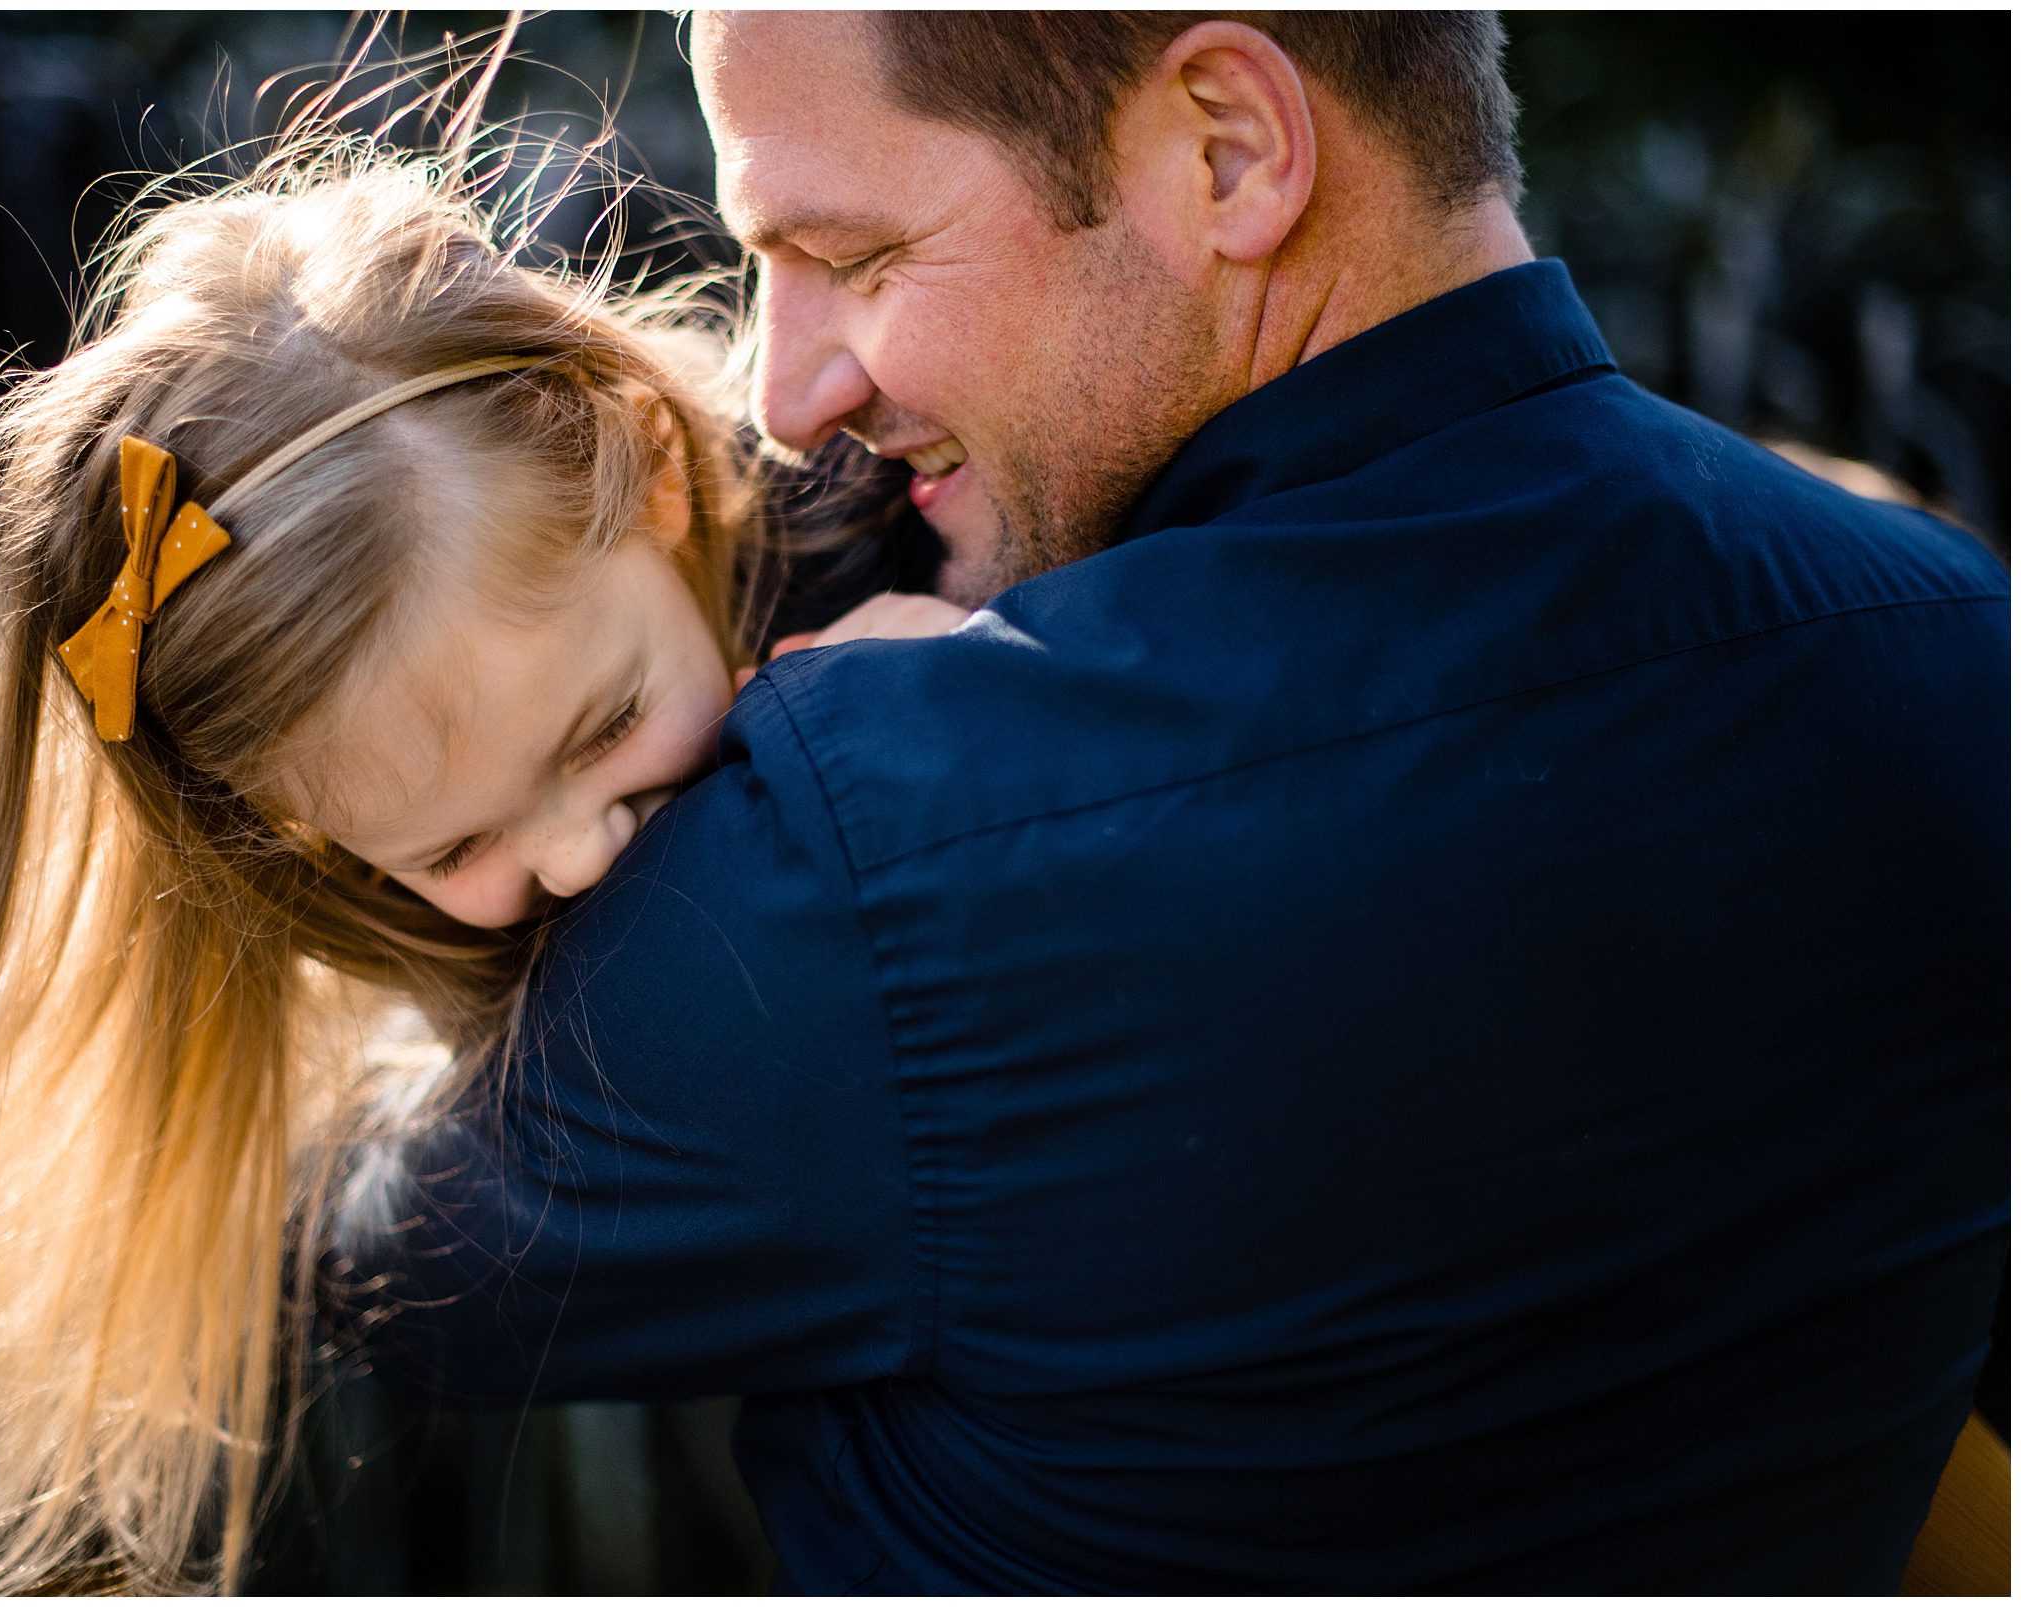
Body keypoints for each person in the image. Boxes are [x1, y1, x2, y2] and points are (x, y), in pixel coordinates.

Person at [337, 10, 2011, 1594]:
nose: (787, 397)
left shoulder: (891, 847)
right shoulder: (1959, 658)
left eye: (854, 258)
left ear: (1229, 150)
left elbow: (360, 1256)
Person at [0, 133, 955, 1595]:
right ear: (292, 840)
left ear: (654, 472)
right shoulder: (459, 1116)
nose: (573, 858)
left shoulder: (931, 508)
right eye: (456, 845)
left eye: (607, 725)